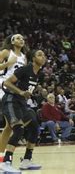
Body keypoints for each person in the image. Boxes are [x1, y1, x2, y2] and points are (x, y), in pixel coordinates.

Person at [1, 49, 46, 173]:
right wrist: (20, 92)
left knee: (35, 127)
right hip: (11, 100)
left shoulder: (40, 75)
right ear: (33, 58)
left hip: (22, 104)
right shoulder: (25, 69)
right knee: (19, 129)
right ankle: (6, 162)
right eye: (39, 54)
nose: (43, 57)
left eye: (44, 55)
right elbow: (6, 82)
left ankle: (26, 160)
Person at [0, 34, 28, 162]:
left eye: (22, 38)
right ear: (12, 41)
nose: (21, 40)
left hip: (14, 90)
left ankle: (1, 154)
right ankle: (3, 155)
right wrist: (7, 64)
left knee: (9, 126)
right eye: (18, 38)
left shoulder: (24, 58)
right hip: (2, 87)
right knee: (11, 124)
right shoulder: (6, 52)